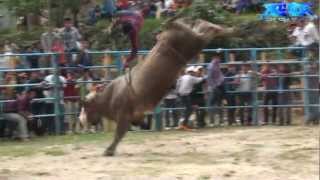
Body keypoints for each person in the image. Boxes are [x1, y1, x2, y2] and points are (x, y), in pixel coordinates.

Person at [207, 55, 224, 126]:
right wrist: (214, 86)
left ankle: (214, 121)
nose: (219, 60)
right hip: (215, 87)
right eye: (218, 58)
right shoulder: (212, 66)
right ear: (215, 58)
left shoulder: (215, 65)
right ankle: (216, 121)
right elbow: (209, 77)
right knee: (215, 104)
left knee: (215, 104)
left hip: (217, 86)